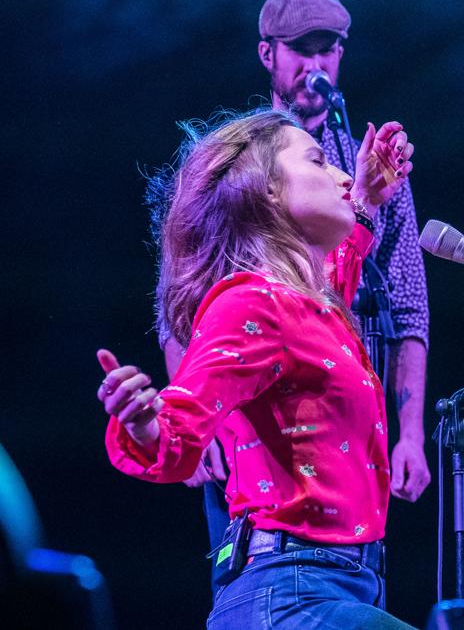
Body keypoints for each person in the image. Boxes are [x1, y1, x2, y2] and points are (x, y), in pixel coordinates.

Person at [98, 109, 415, 628]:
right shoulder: (250, 304)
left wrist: (366, 198)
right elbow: (177, 437)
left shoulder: (305, 307)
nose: (340, 176)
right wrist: (142, 420)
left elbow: (331, 287)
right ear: (265, 190)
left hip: (336, 587)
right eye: (318, 161)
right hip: (289, 595)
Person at [158, 0, 431, 587]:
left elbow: (406, 304)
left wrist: (409, 434)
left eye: (328, 50)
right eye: (300, 50)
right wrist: (197, 423)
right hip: (254, 428)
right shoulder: (240, 164)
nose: (316, 65)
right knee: (263, 568)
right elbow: (183, 307)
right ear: (267, 55)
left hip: (346, 427)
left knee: (356, 579)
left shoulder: (361, 168)